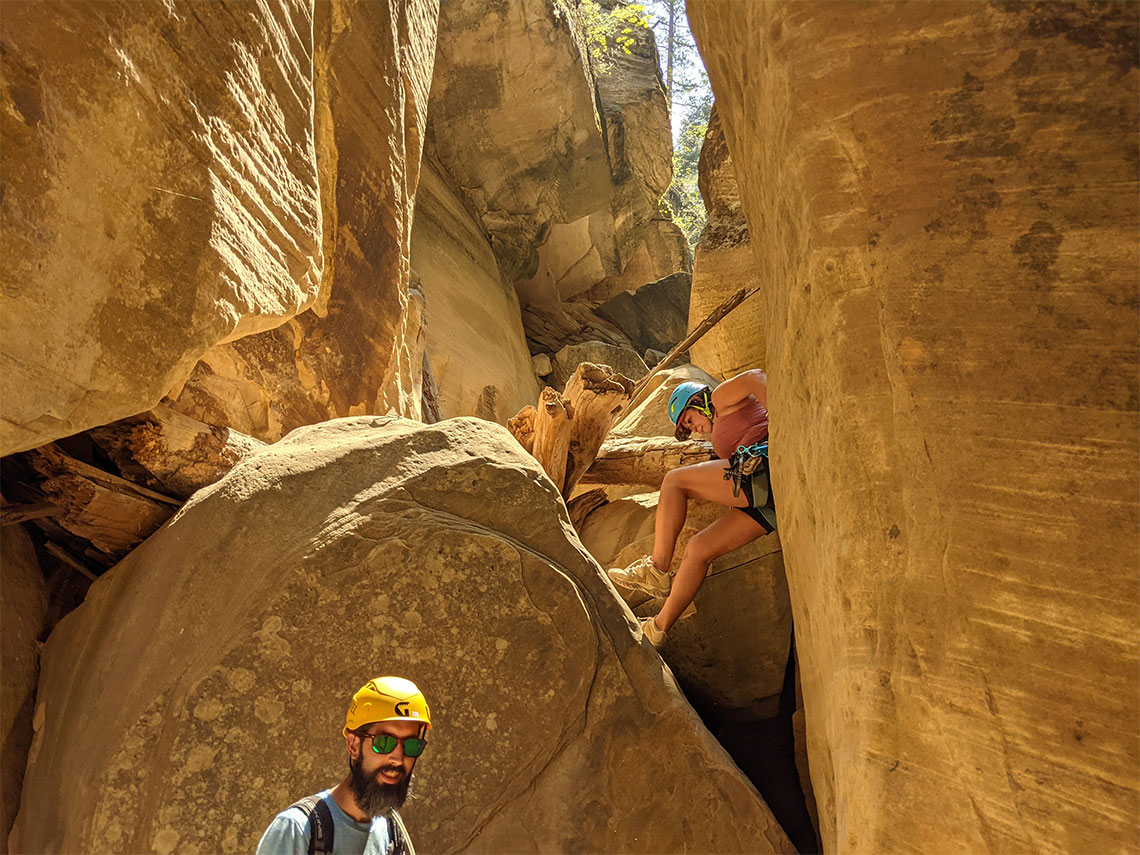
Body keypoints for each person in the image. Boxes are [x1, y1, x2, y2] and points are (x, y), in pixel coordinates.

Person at [608, 369, 775, 649]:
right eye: (687, 429)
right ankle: (658, 628)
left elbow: (755, 377)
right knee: (698, 548)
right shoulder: (721, 435)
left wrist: (783, 421)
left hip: (764, 469)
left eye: (689, 420)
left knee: (674, 481)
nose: (692, 428)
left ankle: (658, 568)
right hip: (768, 500)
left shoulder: (720, 398)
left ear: (699, 401)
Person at [256, 676, 432, 855]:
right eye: (384, 742)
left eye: (411, 746)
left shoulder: (391, 832)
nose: (398, 759)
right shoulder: (297, 829)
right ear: (354, 745)